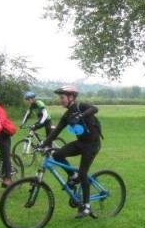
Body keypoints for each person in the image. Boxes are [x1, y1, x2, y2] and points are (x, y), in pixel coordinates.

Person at [42, 85, 102, 219]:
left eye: (62, 97)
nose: (60, 100)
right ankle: (73, 176)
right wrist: (43, 144)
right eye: (60, 98)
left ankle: (86, 206)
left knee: (83, 173)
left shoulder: (81, 106)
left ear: (71, 97)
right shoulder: (67, 115)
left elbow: (95, 108)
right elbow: (56, 131)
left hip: (92, 145)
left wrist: (80, 116)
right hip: (81, 143)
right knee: (57, 154)